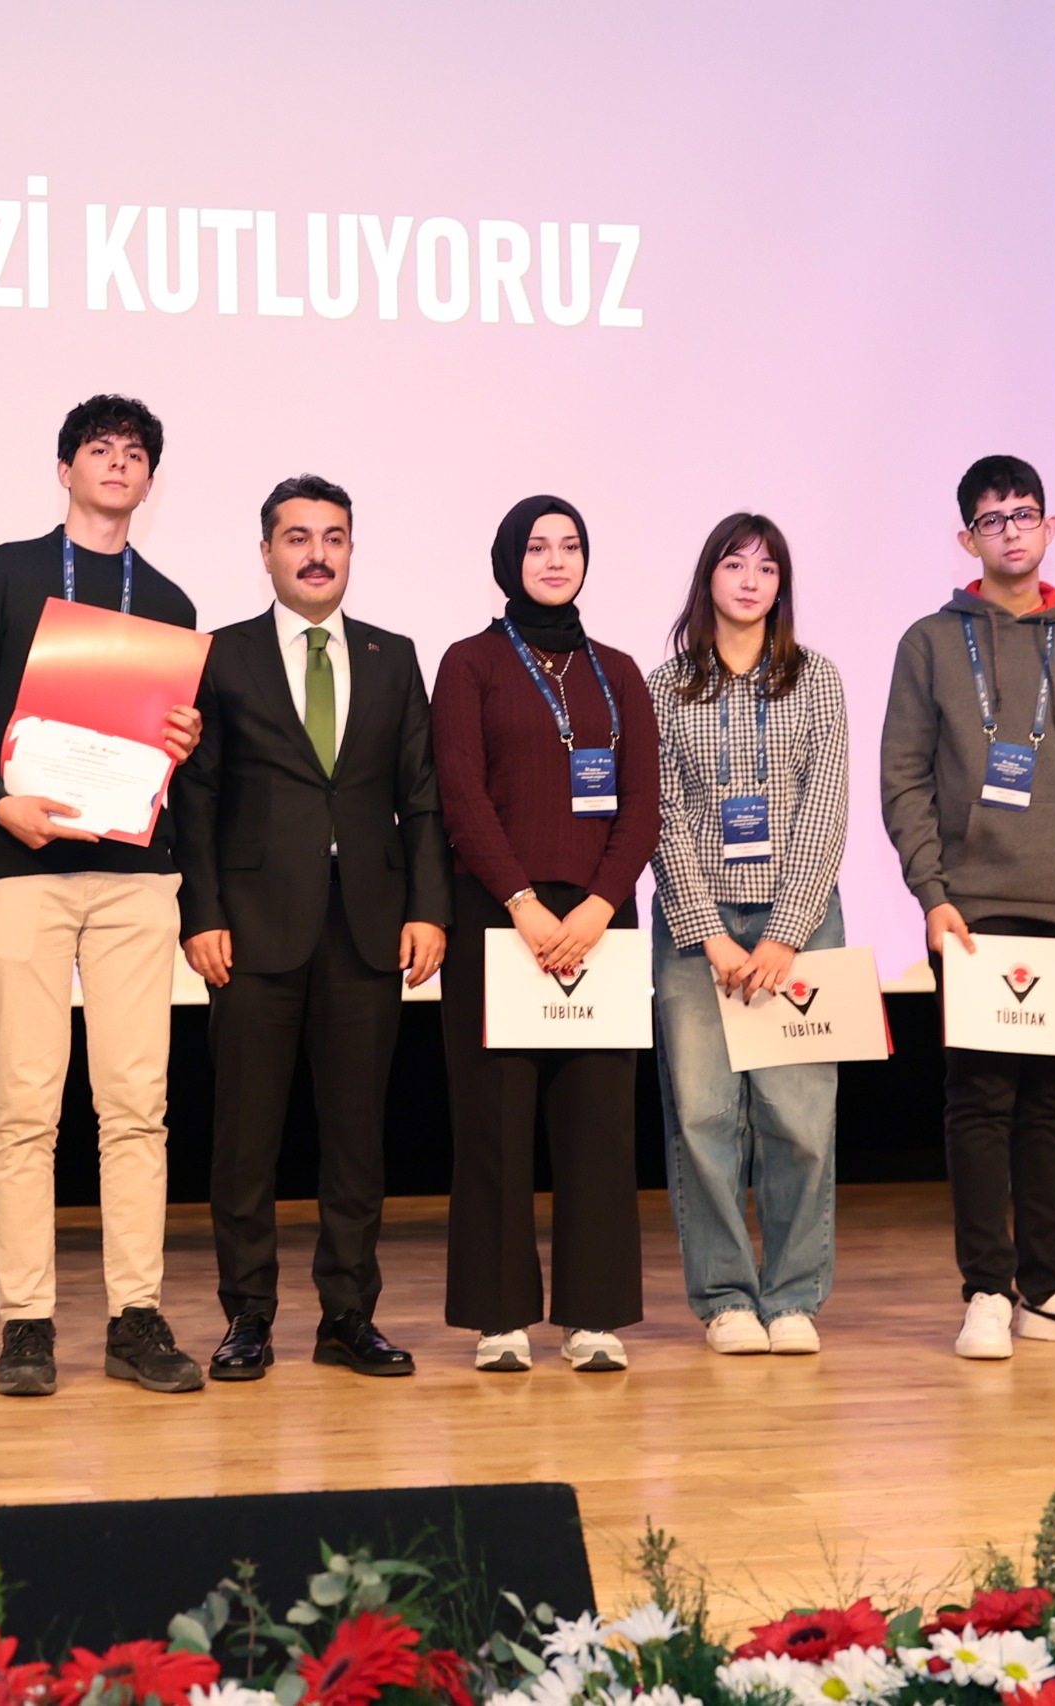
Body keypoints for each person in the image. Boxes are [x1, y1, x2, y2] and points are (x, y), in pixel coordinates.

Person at [0, 393, 206, 1398]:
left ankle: (136, 1314)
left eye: (135, 453)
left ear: (150, 479)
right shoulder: (2, 574)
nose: (117, 464)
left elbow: (166, 750)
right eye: (100, 449)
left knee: (137, 1104)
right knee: (25, 1102)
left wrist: (182, 742)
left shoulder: (169, 599)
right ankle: (27, 1321)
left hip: (135, 876)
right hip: (25, 869)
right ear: (65, 468)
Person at [174, 474, 450, 1381]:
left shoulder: (394, 655)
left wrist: (428, 908)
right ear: (266, 552)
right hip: (251, 928)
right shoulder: (221, 655)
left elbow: (421, 798)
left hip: (368, 926)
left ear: (351, 549)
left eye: (333, 537)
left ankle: (348, 1315)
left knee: (356, 1137)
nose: (317, 554)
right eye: (297, 537)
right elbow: (197, 796)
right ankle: (247, 1316)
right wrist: (201, 913)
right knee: (245, 1137)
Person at [880, 454, 1055, 1360]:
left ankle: (1051, 1288)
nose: (1010, 531)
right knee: (980, 1100)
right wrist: (932, 894)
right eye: (992, 519)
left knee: (1050, 1106)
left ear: (1049, 528)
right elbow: (904, 780)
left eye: (1024, 514)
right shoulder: (930, 641)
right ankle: (987, 1292)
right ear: (968, 539)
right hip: (971, 912)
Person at [430, 495, 658, 1374]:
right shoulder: (471, 662)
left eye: (570, 546)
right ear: (508, 560)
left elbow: (642, 804)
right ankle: (500, 1317)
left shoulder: (619, 671)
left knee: (599, 1123)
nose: (555, 560)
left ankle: (594, 1316)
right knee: (494, 1122)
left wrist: (599, 905)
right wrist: (523, 904)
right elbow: (461, 792)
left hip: (600, 921)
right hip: (500, 916)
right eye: (537, 546)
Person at [646, 513, 848, 1356]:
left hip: (800, 925)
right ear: (709, 578)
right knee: (703, 1118)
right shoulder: (664, 686)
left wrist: (786, 933)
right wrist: (710, 934)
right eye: (735, 564)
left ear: (781, 586)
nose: (751, 581)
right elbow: (661, 816)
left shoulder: (817, 678)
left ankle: (794, 1297)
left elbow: (826, 808)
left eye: (767, 568)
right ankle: (726, 1298)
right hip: (698, 932)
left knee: (798, 1119)